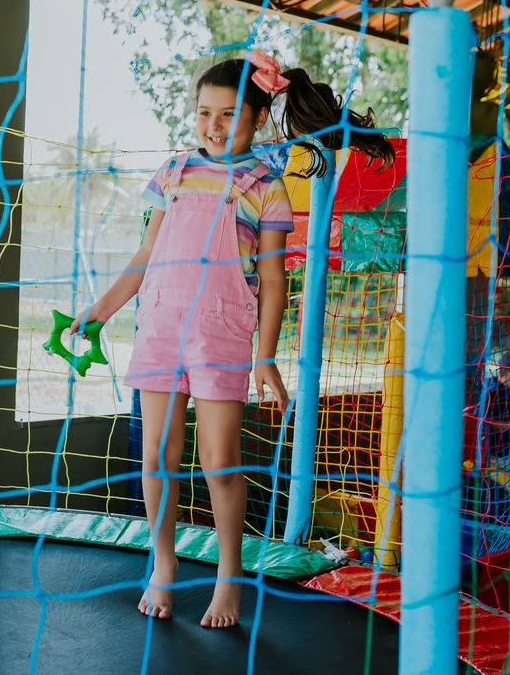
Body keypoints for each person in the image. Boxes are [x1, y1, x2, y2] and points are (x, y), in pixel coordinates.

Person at [75, 52, 395, 627]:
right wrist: (99, 311)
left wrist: (267, 356)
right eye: (204, 113)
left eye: (228, 114)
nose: (213, 126)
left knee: (219, 462)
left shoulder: (266, 187)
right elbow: (146, 255)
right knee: (156, 459)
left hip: (222, 332)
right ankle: (164, 563)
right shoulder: (173, 171)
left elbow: (274, 280)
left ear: (258, 116)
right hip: (161, 327)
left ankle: (228, 577)